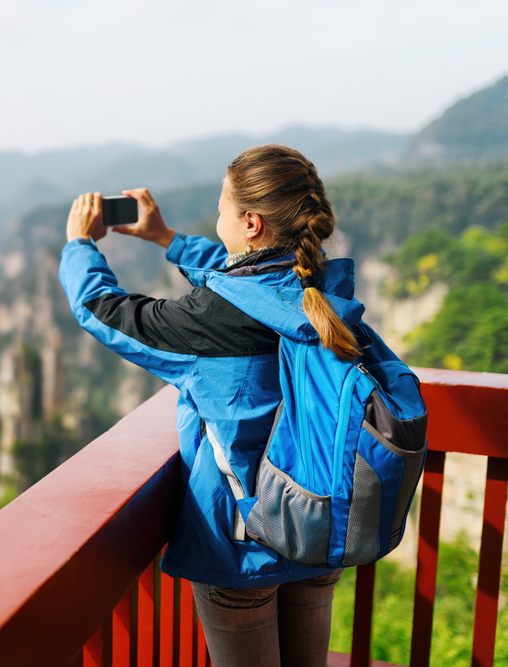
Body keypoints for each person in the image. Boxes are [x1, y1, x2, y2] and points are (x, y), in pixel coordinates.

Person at [59, 145, 361, 667]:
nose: (216, 213)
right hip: (317, 527)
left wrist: (78, 244)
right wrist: (166, 240)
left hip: (242, 547)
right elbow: (244, 281)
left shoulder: (208, 322)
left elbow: (103, 310)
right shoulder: (324, 291)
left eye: (222, 206)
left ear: (250, 222)